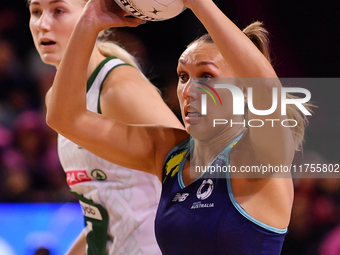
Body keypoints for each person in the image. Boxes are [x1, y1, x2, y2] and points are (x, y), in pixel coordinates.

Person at [45, 0, 311, 254]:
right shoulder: (168, 151)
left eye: (207, 76)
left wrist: (199, 3)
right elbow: (65, 118)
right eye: (183, 76)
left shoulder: (259, 156)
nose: (188, 90)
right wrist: (89, 20)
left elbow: (267, 92)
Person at [27, 0, 184, 254]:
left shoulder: (117, 86)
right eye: (35, 12)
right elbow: (102, 219)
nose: (42, 24)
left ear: (90, 14)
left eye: (58, 11)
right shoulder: (56, 98)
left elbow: (192, 169)